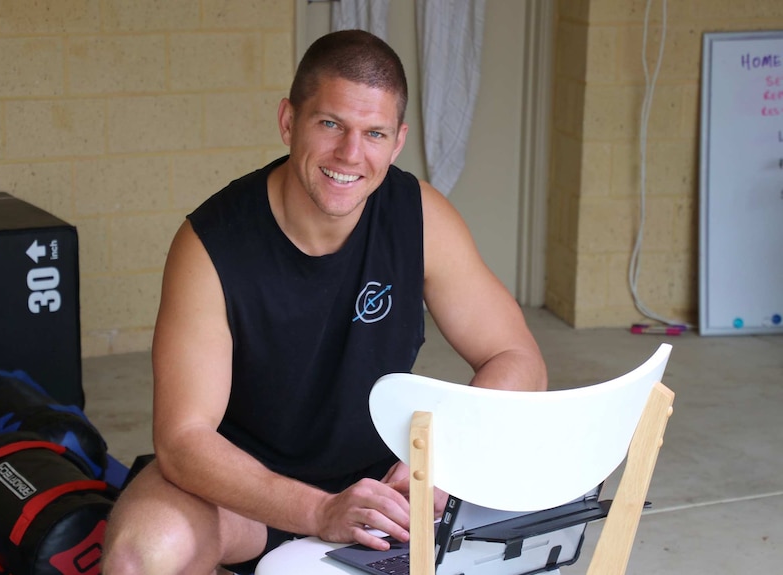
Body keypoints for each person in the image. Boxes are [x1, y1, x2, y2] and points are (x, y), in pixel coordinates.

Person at [102, 29, 547, 575]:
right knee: (139, 557)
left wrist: (437, 464)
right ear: (289, 121)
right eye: (330, 124)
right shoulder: (210, 243)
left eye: (374, 133)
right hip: (244, 490)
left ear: (398, 140)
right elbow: (183, 440)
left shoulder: (420, 216)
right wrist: (319, 511)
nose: (351, 154)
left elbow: (516, 358)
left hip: (381, 487)